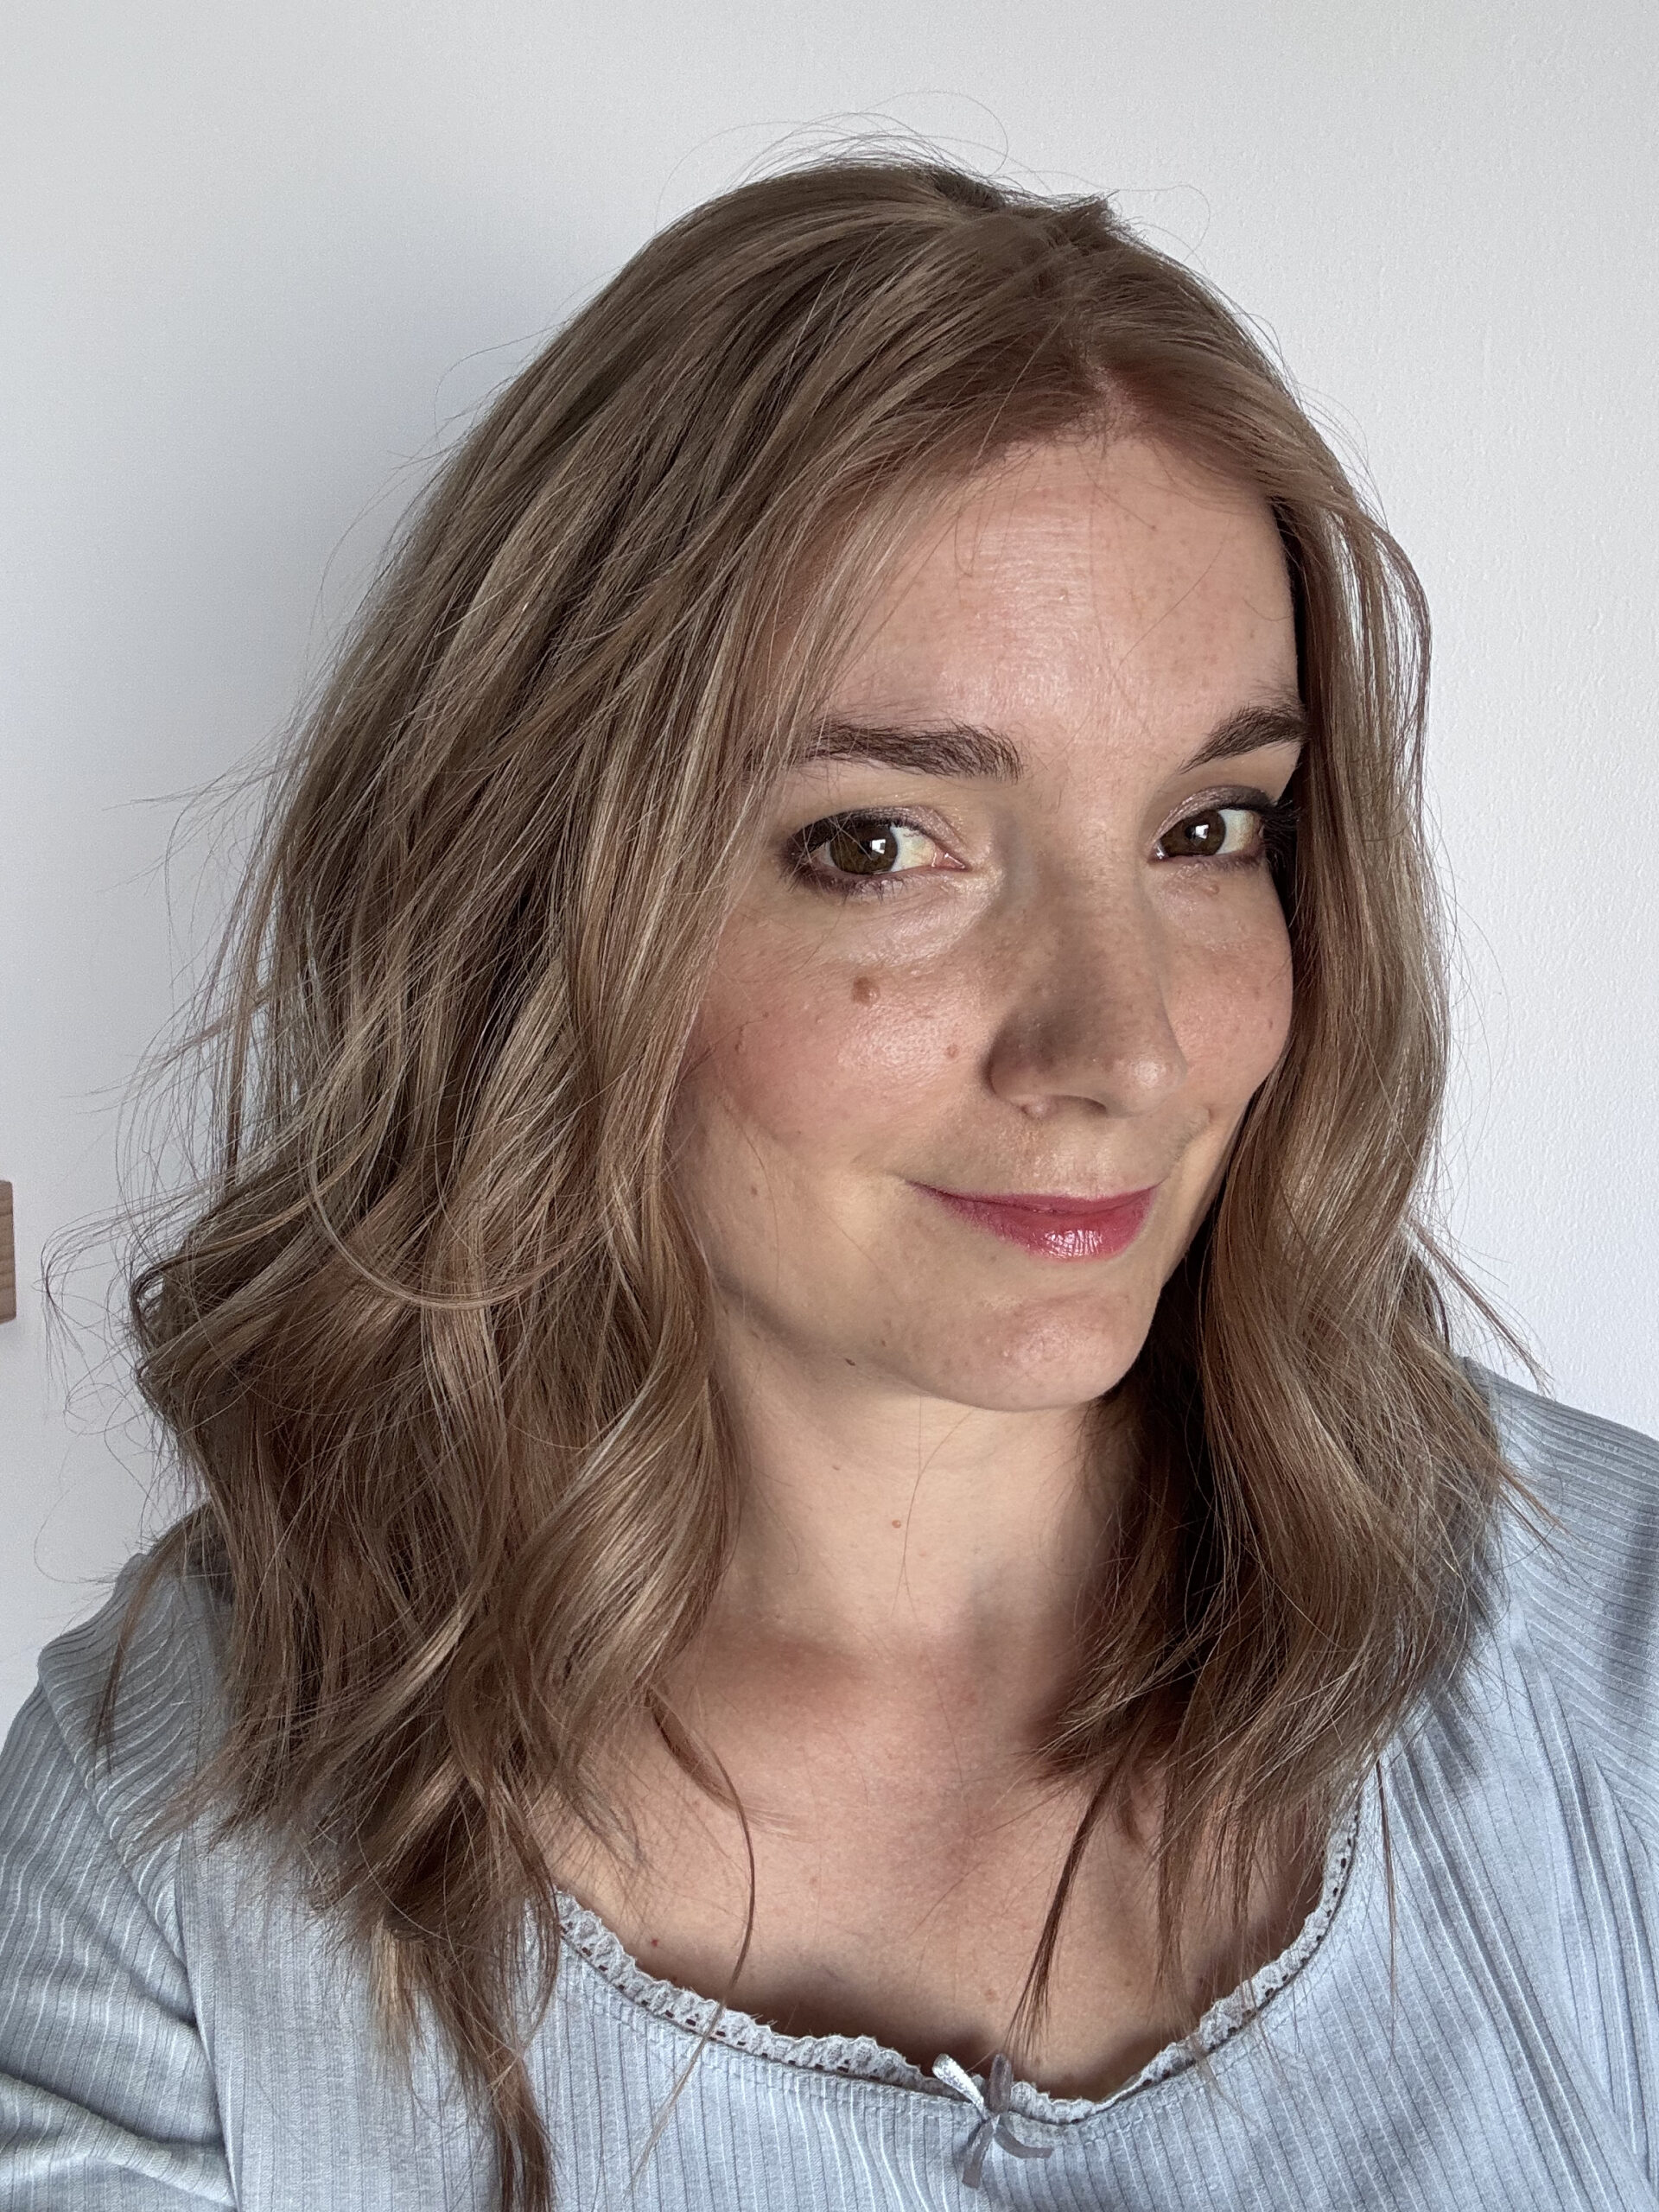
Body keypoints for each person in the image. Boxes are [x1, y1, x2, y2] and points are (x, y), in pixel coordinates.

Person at [2, 156, 1655, 2212]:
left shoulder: (1609, 1661)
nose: (1126, 1047)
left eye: (1210, 828)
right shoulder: (171, 1867)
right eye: (878, 844)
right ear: (536, 905)